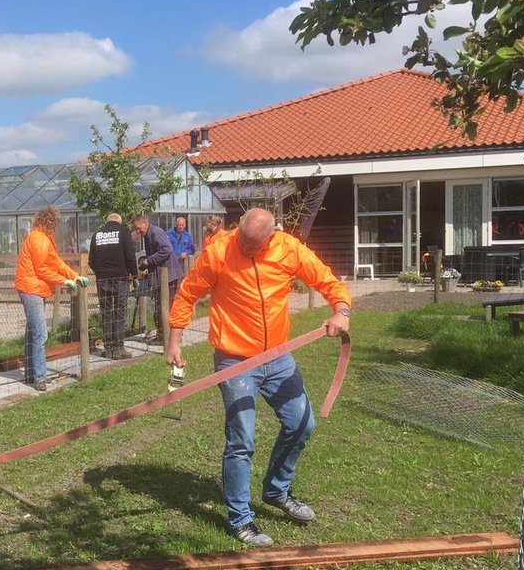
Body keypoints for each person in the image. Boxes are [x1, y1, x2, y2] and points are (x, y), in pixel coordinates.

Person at [166, 207, 352, 547]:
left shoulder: (288, 249)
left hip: (278, 356)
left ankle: (276, 490)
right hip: (235, 361)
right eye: (243, 243)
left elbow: (325, 278)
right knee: (242, 439)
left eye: (255, 246)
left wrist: (341, 309)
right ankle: (240, 519)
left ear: (271, 237)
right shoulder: (219, 251)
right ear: (238, 232)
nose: (247, 251)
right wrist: (175, 343)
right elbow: (188, 292)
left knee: (302, 423)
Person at [15, 205, 87, 391]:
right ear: (50, 222)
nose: (56, 226)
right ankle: (39, 377)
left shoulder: (44, 237)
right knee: (40, 333)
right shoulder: (39, 239)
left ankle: (31, 373)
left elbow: (56, 262)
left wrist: (74, 275)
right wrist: (64, 280)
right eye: (54, 222)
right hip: (32, 289)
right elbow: (42, 269)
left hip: (34, 288)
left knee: (32, 332)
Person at [88, 212, 136, 360]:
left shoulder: (97, 235)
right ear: (119, 221)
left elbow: (91, 260)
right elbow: (130, 255)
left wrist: (101, 272)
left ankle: (108, 348)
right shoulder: (124, 232)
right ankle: (119, 347)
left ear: (107, 221)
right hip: (120, 278)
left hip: (103, 279)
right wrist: (134, 275)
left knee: (107, 312)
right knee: (120, 311)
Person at [132, 213, 182, 346]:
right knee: (161, 307)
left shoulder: (156, 233)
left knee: (165, 308)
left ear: (144, 223)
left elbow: (167, 250)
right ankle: (164, 335)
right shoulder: (148, 235)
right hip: (162, 276)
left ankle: (167, 337)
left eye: (138, 228)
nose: (138, 231)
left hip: (169, 276)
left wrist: (148, 261)